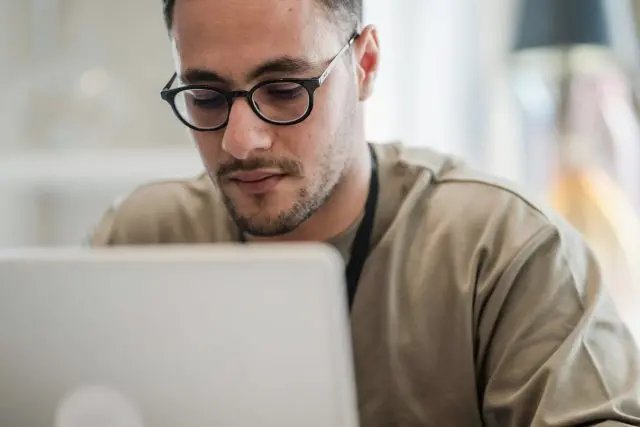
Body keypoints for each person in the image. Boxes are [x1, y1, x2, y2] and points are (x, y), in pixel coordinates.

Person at [89, 0, 640, 425]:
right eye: (205, 97)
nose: (240, 141)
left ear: (366, 63)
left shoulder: (505, 251)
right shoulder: (139, 243)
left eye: (284, 89)